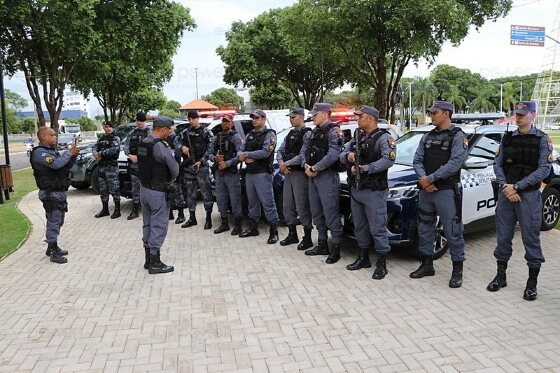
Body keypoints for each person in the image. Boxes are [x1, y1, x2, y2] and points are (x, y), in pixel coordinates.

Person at [488, 101, 553, 301]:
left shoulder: (542, 140)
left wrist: (517, 187)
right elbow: (497, 164)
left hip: (529, 196)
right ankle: (501, 276)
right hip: (507, 194)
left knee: (531, 239)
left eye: (523, 114)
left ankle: (532, 284)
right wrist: (506, 187)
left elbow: (544, 169)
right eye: (517, 113)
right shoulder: (507, 138)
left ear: (533, 114)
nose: (519, 117)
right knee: (503, 238)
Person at [411, 100, 468, 288]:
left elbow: (455, 163)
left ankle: (457, 270)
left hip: (445, 191)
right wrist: (424, 180)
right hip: (427, 190)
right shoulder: (427, 136)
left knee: (452, 230)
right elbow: (417, 159)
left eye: (435, 113)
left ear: (446, 114)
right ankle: (427, 265)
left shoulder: (458, 136)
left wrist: (431, 178)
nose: (432, 115)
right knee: (425, 227)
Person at [340, 105, 395, 279]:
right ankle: (363, 257)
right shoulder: (357, 136)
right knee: (360, 226)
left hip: (374, 190)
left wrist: (366, 168)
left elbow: (388, 160)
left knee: (377, 227)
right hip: (357, 189)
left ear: (371, 118)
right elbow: (341, 155)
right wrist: (348, 156)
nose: (357, 119)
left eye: (360, 116)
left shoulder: (384, 138)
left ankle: (382, 263)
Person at [300, 102, 344, 264]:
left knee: (331, 213)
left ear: (325, 114)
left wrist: (316, 167)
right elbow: (303, 150)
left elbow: (334, 154)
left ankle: (336, 248)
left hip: (327, 177)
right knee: (317, 212)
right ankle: (322, 244)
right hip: (312, 175)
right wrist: (305, 164)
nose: (313, 116)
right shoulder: (312, 132)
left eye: (315, 114)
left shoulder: (334, 131)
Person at [137, 116, 180, 274]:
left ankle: (148, 260)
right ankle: (155, 262)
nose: (170, 132)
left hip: (144, 190)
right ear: (163, 129)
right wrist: (172, 178)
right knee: (159, 225)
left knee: (147, 224)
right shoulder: (160, 146)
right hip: (157, 191)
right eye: (169, 130)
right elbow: (175, 169)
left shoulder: (144, 142)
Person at [30, 127, 79, 264]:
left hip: (59, 191)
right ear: (43, 137)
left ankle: (51, 246)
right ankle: (53, 251)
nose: (55, 137)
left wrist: (73, 155)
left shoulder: (52, 152)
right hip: (50, 192)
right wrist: (68, 153)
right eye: (52, 135)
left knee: (58, 221)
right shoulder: (40, 154)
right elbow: (56, 165)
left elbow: (65, 166)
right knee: (54, 220)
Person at [238, 109, 280, 244]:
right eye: (253, 118)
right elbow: (240, 149)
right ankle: (253, 228)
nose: (254, 120)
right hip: (250, 173)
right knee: (252, 202)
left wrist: (248, 155)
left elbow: (265, 152)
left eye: (256, 118)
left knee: (268, 202)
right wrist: (243, 157)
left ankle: (274, 231)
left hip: (262, 173)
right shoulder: (250, 134)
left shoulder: (270, 134)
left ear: (263, 119)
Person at [276, 107, 314, 250]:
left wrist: (286, 163)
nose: (290, 119)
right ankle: (292, 234)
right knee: (287, 205)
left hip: (300, 174)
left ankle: (308, 236)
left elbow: (302, 156)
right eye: (290, 117)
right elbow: (280, 150)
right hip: (288, 173)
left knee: (302, 205)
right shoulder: (291, 133)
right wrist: (281, 164)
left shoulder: (307, 133)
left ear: (301, 117)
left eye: (293, 117)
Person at [208, 115, 244, 235]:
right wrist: (215, 158)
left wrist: (227, 163)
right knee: (221, 199)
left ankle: (238, 225)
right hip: (219, 172)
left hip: (231, 173)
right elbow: (209, 153)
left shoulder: (236, 137)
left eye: (227, 122)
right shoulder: (217, 137)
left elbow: (240, 155)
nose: (224, 124)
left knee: (235, 199)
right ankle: (224, 224)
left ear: (231, 123)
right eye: (223, 122)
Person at [179, 110, 214, 229]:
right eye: (189, 119)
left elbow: (211, 149)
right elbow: (176, 142)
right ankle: (192, 218)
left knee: (206, 194)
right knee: (190, 194)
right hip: (189, 167)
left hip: (202, 167)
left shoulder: (206, 132)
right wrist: (181, 147)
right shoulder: (185, 132)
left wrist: (202, 161)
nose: (191, 121)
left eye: (193, 119)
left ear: (198, 119)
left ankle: (208, 218)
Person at [92, 121, 122, 219]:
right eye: (106, 127)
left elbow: (113, 150)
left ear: (113, 127)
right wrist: (95, 153)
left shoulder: (115, 138)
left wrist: (100, 154)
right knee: (103, 190)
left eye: (109, 127)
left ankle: (117, 211)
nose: (107, 128)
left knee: (114, 189)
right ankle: (105, 210)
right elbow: (94, 147)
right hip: (101, 167)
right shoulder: (101, 138)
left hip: (111, 167)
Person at [124, 112, 151, 220]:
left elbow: (153, 148)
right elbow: (125, 147)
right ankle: (135, 210)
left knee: (148, 188)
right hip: (134, 165)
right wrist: (130, 155)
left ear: (145, 121)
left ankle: (150, 210)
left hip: (146, 166)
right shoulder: (132, 133)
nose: (139, 123)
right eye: (138, 121)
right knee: (135, 188)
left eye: (141, 121)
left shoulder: (150, 133)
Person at [166, 126, 187, 223]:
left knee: (178, 192)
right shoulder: (163, 139)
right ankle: (169, 214)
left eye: (169, 127)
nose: (168, 129)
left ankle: (181, 215)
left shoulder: (177, 138)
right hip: (166, 170)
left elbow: (179, 154)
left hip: (176, 169)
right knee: (167, 193)